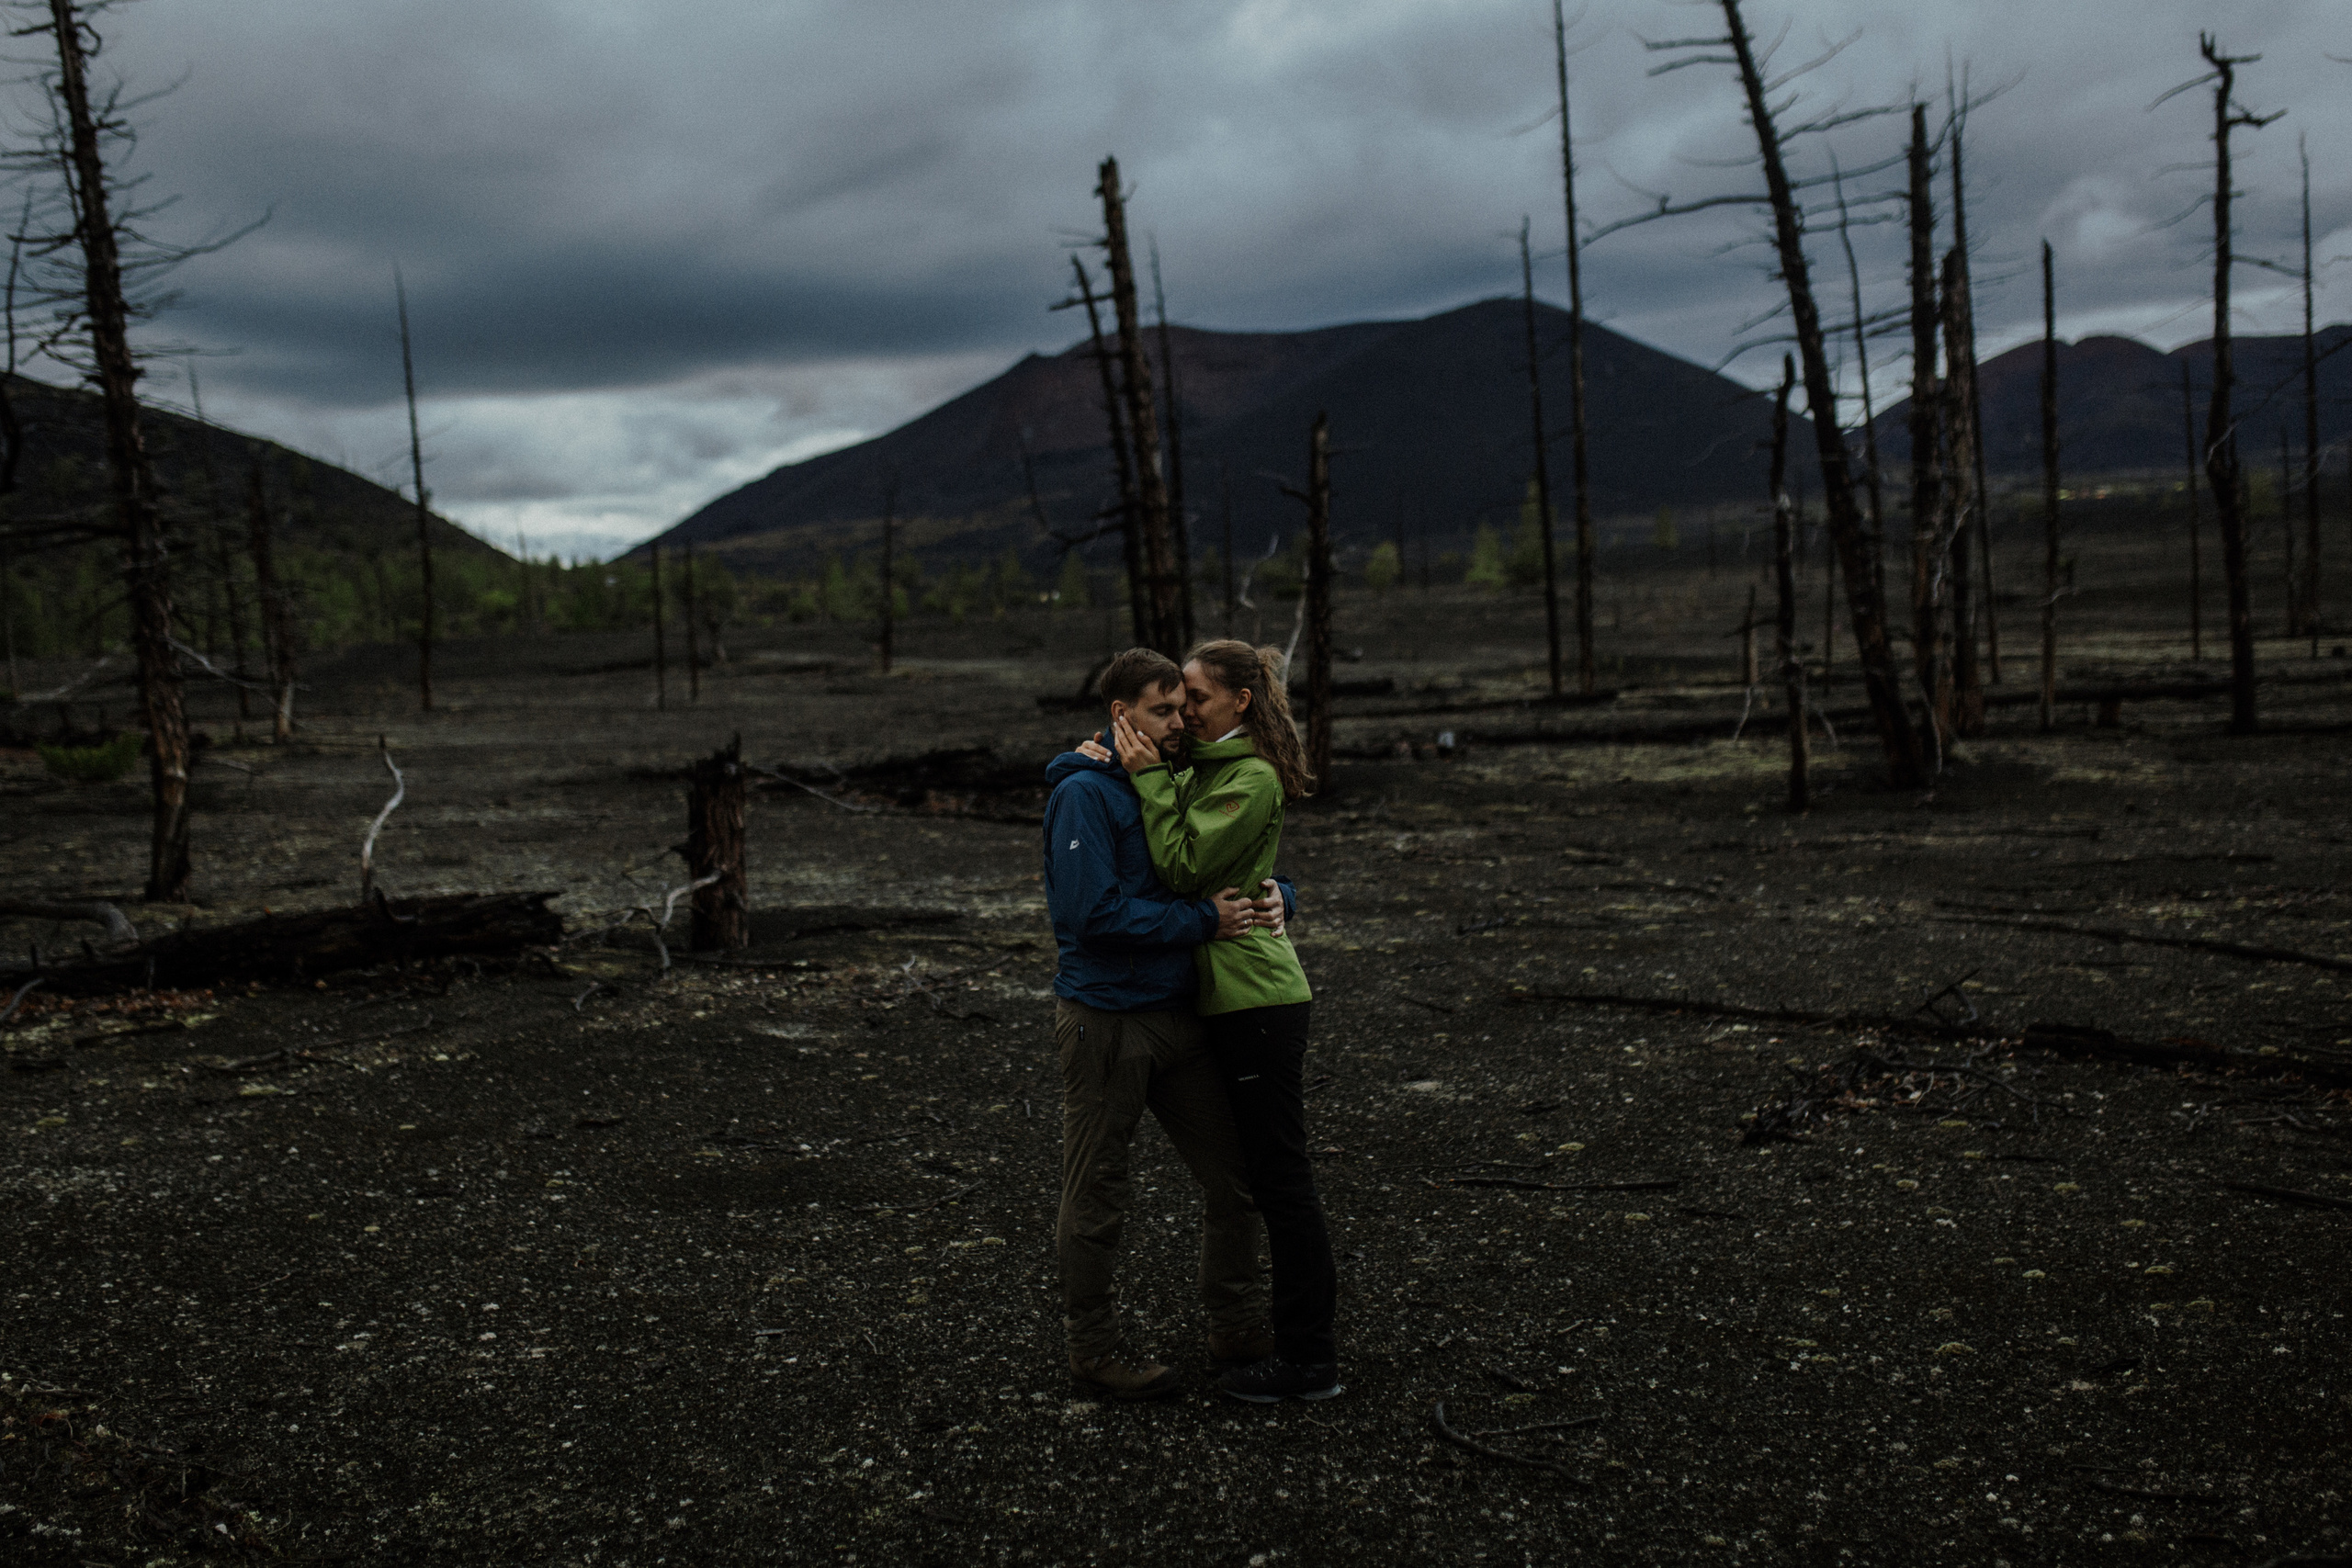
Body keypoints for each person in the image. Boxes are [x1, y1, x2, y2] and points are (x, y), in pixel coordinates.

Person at [1042, 646, 1292, 1402]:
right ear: (1121, 716)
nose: (1179, 722)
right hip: (1107, 1022)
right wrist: (1197, 920)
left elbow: (1226, 850)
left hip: (1180, 1018)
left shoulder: (1176, 774)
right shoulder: (1085, 795)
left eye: (1183, 708)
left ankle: (1237, 1326)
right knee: (1097, 1192)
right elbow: (1088, 915)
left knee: (1236, 1177)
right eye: (1162, 710)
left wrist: (1283, 891)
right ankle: (1092, 1350)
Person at [1103, 638, 1340, 1404]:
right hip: (1228, 998)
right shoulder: (1207, 767)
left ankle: (1308, 1359)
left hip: (1258, 1000)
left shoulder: (1250, 774)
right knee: (1262, 1176)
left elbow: (1180, 863)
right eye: (1172, 703)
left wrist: (1141, 775)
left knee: (1282, 1179)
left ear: (1240, 701)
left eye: (1195, 698)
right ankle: (1276, 1339)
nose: (1182, 713)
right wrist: (1102, 754)